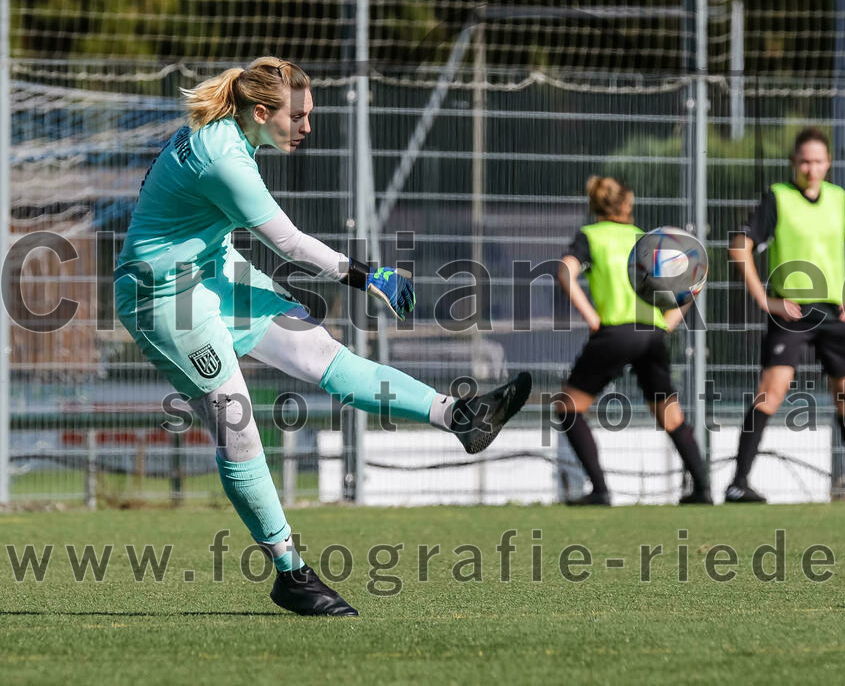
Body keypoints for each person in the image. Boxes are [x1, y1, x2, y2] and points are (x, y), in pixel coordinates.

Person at [114, 57, 532, 616]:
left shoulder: (230, 133)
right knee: (238, 427)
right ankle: (291, 574)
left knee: (323, 353)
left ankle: (461, 418)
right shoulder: (223, 157)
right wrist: (368, 275)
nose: (308, 126)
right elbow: (288, 243)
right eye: (300, 115)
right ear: (262, 112)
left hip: (214, 273)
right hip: (164, 298)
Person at [725, 126, 845, 503]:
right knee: (770, 394)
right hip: (790, 312)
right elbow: (740, 247)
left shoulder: (838, 198)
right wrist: (764, 299)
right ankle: (738, 483)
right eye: (804, 161)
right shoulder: (778, 197)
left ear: (828, 164)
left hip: (833, 313)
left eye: (818, 161)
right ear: (793, 162)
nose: (810, 168)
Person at [555, 176, 711, 506]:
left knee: (568, 408)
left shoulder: (590, 237)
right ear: (627, 205)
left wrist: (591, 318)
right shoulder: (646, 239)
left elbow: (564, 272)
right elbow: (691, 281)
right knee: (671, 416)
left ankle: (599, 490)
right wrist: (667, 322)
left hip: (615, 332)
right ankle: (703, 489)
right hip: (651, 334)